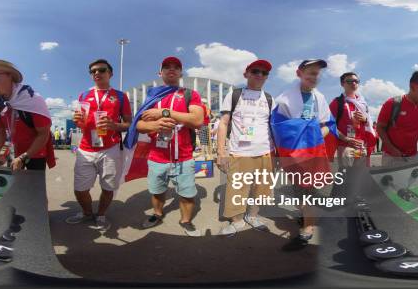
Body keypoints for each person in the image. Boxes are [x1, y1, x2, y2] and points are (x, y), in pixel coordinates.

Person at [135, 56, 204, 237]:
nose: (171, 69)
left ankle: (186, 221)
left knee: (187, 193)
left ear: (181, 72)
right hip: (158, 156)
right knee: (157, 191)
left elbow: (197, 120)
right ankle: (157, 214)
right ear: (161, 73)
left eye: (176, 67)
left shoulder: (190, 94)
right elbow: (138, 125)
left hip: (184, 156)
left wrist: (164, 113)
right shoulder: (152, 96)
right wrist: (154, 125)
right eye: (167, 67)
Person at [273, 59, 333, 249]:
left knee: (308, 191)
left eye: (317, 74)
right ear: (299, 73)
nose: (314, 77)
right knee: (299, 192)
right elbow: (278, 129)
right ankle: (308, 217)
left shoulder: (320, 98)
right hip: (293, 154)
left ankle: (308, 228)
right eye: (310, 73)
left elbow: (327, 126)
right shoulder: (284, 99)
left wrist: (314, 135)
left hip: (313, 152)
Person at [66, 59, 132, 231]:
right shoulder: (84, 95)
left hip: (110, 148)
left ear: (110, 73)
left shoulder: (119, 96)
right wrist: (77, 121)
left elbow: (128, 123)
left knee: (108, 187)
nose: (96, 73)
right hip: (86, 148)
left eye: (101, 70)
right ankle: (87, 213)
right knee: (80, 189)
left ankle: (101, 215)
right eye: (92, 71)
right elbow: (81, 123)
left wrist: (115, 125)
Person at [216, 59, 276, 236]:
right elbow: (223, 124)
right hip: (239, 152)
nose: (260, 75)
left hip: (265, 152)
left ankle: (252, 216)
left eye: (264, 73)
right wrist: (221, 152)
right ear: (246, 73)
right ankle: (236, 221)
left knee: (261, 188)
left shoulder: (270, 99)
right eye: (256, 71)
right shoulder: (234, 95)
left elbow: (275, 127)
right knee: (237, 189)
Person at [0, 59, 56, 171]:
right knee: (14, 186)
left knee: (32, 187)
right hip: (12, 150)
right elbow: (0, 131)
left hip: (35, 154)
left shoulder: (32, 99)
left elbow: (44, 134)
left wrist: (23, 157)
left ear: (9, 75)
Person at [376, 71, 418, 167]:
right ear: (413, 86)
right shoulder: (393, 104)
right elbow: (380, 127)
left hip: (413, 156)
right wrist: (392, 149)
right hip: (391, 157)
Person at [329, 72, 376, 168]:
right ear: (342, 84)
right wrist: (346, 139)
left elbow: (369, 123)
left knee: (358, 175)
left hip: (360, 146)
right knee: (346, 174)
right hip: (345, 146)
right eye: (349, 81)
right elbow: (330, 125)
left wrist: (365, 119)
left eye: (356, 81)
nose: (353, 83)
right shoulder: (337, 102)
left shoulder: (362, 103)